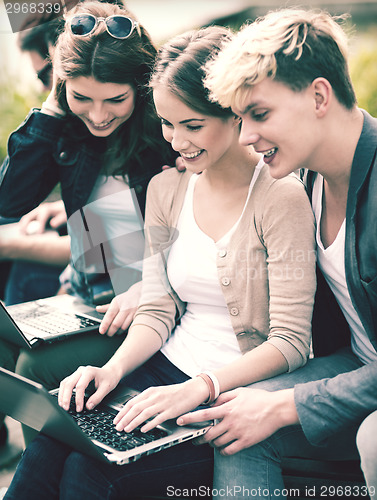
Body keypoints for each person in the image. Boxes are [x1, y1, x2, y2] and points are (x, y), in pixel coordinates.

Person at [3, 25, 316, 499]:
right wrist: (112, 372)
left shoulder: (281, 197)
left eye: (192, 126)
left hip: (228, 393)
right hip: (160, 369)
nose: (175, 142)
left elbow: (292, 343)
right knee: (49, 446)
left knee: (86, 477)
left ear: (235, 115)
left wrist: (200, 387)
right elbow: (158, 306)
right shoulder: (166, 188)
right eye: (168, 124)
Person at [175, 8, 377, 499]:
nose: (246, 137)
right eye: (241, 119)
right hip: (354, 364)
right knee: (236, 419)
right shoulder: (303, 176)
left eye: (259, 115)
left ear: (319, 96)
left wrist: (289, 405)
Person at [0, 0, 175, 444]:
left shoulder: (168, 135)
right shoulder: (69, 131)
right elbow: (11, 199)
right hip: (96, 296)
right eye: (81, 98)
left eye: (115, 99)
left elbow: (204, 233)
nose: (98, 115)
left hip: (154, 305)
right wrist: (54, 110)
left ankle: (65, 458)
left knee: (33, 368)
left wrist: (151, 289)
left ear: (141, 86)